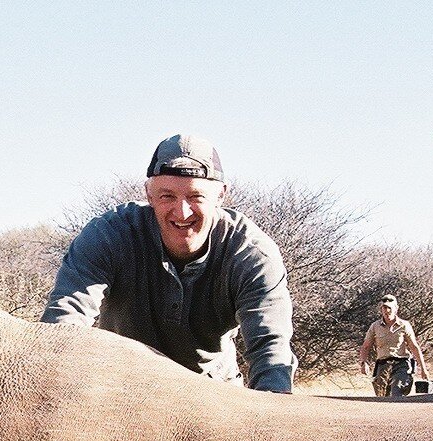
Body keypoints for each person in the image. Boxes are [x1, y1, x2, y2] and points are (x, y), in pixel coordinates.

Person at [41, 134, 297, 393]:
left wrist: (272, 408)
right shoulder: (108, 235)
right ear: (149, 195)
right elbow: (64, 323)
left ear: (221, 195)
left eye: (195, 196)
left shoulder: (251, 253)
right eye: (167, 196)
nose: (182, 212)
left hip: (215, 397)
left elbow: (271, 351)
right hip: (121, 392)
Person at [359, 294, 429, 397]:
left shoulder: (404, 325)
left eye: (389, 308)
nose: (387, 311)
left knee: (397, 391)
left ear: (396, 309)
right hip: (383, 364)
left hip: (401, 364)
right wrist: (363, 363)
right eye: (384, 308)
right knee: (382, 396)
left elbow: (414, 347)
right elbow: (366, 346)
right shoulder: (375, 326)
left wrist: (423, 368)